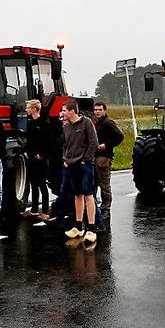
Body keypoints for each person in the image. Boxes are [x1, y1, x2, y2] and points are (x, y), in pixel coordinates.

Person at [61, 100, 99, 244]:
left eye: (64, 110)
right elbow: (65, 145)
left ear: (72, 111)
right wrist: (65, 159)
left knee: (88, 195)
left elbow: (93, 142)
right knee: (77, 195)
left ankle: (91, 228)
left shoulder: (86, 123)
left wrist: (86, 160)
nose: (62, 113)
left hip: (85, 165)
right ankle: (78, 226)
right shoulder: (66, 126)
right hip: (71, 165)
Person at [92, 102, 124, 228]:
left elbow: (120, 137)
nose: (97, 112)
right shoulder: (96, 122)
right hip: (95, 156)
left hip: (104, 157)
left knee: (104, 184)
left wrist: (107, 145)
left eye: (100, 109)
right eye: (95, 110)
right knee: (93, 183)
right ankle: (95, 208)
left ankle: (106, 210)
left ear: (104, 110)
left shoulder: (108, 123)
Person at [22, 99, 51, 220]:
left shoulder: (44, 123)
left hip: (41, 158)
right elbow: (29, 139)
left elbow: (48, 141)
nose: (26, 110)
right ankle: (34, 209)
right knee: (33, 183)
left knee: (41, 184)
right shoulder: (30, 123)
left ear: (35, 109)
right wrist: (26, 151)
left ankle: (44, 211)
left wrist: (42, 154)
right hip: (31, 156)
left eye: (28, 108)